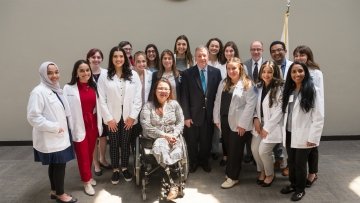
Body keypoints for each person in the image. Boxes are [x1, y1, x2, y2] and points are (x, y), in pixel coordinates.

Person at [27, 61, 77, 203]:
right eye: (49, 73)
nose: (54, 75)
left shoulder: (56, 89)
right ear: (43, 74)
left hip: (60, 134)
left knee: (55, 165)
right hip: (52, 134)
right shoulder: (38, 92)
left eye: (56, 72)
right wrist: (54, 127)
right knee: (59, 165)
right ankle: (61, 195)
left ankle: (54, 191)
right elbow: (33, 117)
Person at [279, 62, 324, 201]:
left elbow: (319, 116)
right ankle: (293, 184)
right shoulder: (289, 91)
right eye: (293, 72)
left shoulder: (313, 90)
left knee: (300, 163)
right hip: (289, 132)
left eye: (300, 71)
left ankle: (300, 189)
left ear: (305, 72)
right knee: (291, 161)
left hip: (305, 134)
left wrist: (313, 138)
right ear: (290, 74)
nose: (297, 74)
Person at [97, 46, 142, 184]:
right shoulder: (104, 76)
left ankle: (124, 168)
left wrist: (133, 116)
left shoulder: (133, 75)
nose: (118, 59)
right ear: (111, 59)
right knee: (115, 144)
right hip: (112, 118)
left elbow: (138, 98)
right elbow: (101, 99)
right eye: (115, 56)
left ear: (125, 58)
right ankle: (115, 169)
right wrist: (109, 119)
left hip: (129, 117)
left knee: (126, 143)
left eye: (121, 56)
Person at [213, 57, 257, 189]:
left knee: (235, 150)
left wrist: (243, 124)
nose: (231, 71)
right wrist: (216, 118)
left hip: (239, 123)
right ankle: (230, 172)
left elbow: (251, 105)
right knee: (229, 147)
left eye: (234, 68)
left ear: (240, 69)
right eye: (229, 68)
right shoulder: (224, 82)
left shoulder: (248, 84)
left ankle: (233, 177)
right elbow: (217, 101)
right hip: (225, 121)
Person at [140, 79, 185, 201]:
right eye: (160, 88)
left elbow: (180, 122)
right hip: (158, 138)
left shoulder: (174, 105)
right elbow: (147, 127)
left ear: (170, 91)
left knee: (177, 150)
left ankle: (169, 183)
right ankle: (173, 184)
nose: (163, 91)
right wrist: (165, 136)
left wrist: (174, 135)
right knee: (161, 149)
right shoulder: (148, 106)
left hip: (174, 137)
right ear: (155, 91)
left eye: (166, 89)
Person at [63, 60, 103, 195]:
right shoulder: (68, 88)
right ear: (76, 73)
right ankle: (86, 182)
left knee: (90, 152)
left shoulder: (93, 85)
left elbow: (98, 106)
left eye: (87, 70)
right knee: (82, 155)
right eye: (82, 70)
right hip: (78, 124)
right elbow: (66, 110)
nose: (85, 73)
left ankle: (89, 176)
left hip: (92, 124)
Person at [181, 46, 222, 173]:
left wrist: (217, 116)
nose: (202, 58)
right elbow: (184, 96)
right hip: (192, 115)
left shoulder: (216, 72)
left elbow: (218, 95)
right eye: (199, 55)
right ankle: (193, 162)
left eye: (204, 55)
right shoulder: (188, 73)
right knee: (192, 142)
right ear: (195, 57)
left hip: (209, 114)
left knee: (206, 141)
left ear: (208, 56)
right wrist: (186, 116)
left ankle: (204, 161)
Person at [293, 45, 324, 188]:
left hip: (311, 111)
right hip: (299, 114)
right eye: (297, 55)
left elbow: (318, 95)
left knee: (312, 145)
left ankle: (312, 174)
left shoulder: (316, 72)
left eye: (302, 55)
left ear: (308, 56)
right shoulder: (294, 69)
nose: (299, 58)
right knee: (304, 148)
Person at [250, 61, 284, 188]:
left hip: (272, 126)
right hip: (259, 123)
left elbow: (280, 110)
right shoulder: (257, 87)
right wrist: (255, 118)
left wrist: (267, 128)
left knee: (263, 151)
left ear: (274, 73)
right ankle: (263, 171)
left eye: (270, 72)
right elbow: (252, 105)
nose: (266, 74)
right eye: (264, 72)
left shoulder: (280, 88)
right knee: (254, 149)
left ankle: (270, 174)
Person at [86, 48, 111, 177]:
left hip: (104, 109)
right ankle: (95, 163)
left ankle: (102, 159)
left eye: (98, 57)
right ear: (89, 58)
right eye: (93, 57)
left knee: (103, 136)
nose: (96, 59)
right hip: (91, 112)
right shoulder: (85, 72)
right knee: (93, 138)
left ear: (101, 59)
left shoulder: (106, 73)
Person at [270, 40, 293, 176]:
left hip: (290, 108)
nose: (277, 53)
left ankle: (288, 164)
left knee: (288, 137)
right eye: (273, 51)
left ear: (285, 51)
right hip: (275, 108)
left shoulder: (292, 66)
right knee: (276, 136)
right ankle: (279, 160)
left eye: (279, 50)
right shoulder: (271, 67)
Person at [218, 41, 241, 167]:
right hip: (225, 105)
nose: (228, 53)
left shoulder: (241, 66)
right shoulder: (220, 65)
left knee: (234, 137)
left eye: (231, 51)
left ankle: (234, 160)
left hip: (237, 108)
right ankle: (226, 156)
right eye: (226, 51)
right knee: (225, 135)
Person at [243, 41, 265, 164]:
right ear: (250, 50)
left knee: (263, 130)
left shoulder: (268, 65)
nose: (256, 52)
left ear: (262, 50)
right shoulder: (244, 65)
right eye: (253, 49)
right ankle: (250, 154)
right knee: (249, 129)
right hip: (248, 102)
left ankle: (263, 156)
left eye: (258, 49)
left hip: (263, 103)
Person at [205, 37, 226, 161]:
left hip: (218, 98)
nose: (214, 48)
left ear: (220, 49)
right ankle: (205, 148)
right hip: (205, 98)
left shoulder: (223, 64)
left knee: (216, 125)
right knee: (206, 125)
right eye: (212, 46)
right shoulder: (203, 61)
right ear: (208, 47)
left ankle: (214, 149)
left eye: (216, 46)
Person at [131, 51, 153, 154]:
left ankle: (145, 156)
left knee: (146, 134)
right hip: (133, 110)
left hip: (146, 110)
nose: (141, 64)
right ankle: (135, 154)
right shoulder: (129, 75)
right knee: (134, 134)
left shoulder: (150, 75)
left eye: (143, 61)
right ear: (134, 63)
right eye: (138, 61)